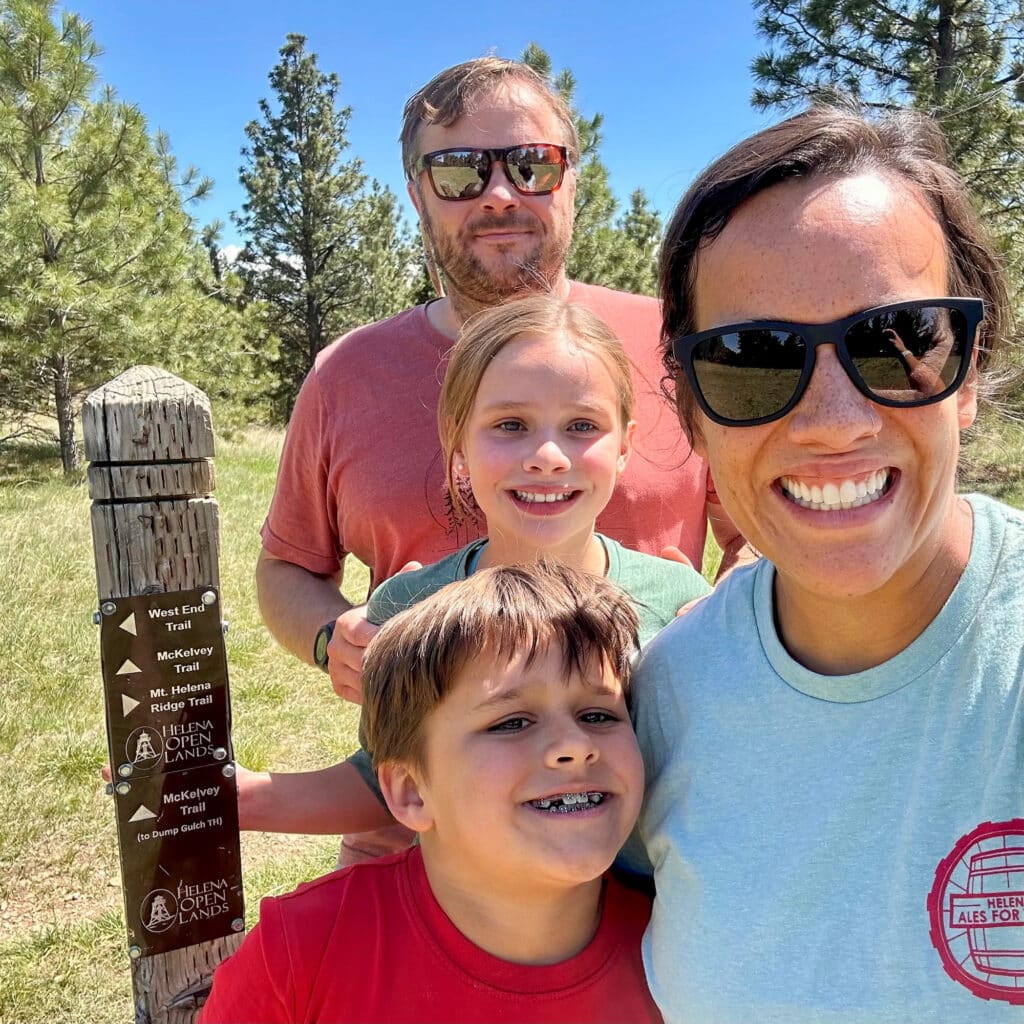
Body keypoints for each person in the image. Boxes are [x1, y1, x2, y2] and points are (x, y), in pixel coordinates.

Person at [629, 105, 1024, 1021]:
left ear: (969, 370)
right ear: (689, 413)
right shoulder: (664, 700)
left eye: (903, 338)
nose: (836, 422)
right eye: (752, 358)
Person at [255, 56, 744, 716]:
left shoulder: (677, 345)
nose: (499, 194)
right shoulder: (346, 373)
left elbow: (759, 536)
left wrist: (721, 618)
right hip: (421, 806)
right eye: (459, 170)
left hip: (649, 792)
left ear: (572, 179)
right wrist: (331, 642)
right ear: (416, 192)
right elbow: (288, 567)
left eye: (531, 165)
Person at [238, 295, 709, 836]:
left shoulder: (680, 603)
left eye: (582, 426)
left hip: (648, 915)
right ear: (458, 444)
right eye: (511, 425)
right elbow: (386, 781)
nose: (548, 455)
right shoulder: (409, 608)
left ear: (625, 446)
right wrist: (246, 801)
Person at [200, 563, 662, 1024]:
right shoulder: (300, 953)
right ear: (411, 791)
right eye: (512, 722)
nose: (575, 747)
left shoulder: (683, 958)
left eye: (599, 715)